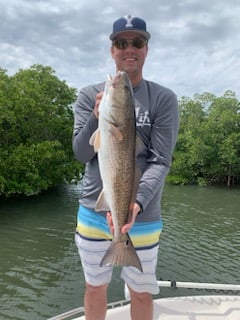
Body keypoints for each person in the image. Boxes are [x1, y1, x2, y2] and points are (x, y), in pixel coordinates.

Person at [72, 14, 179, 320]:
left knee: (142, 292)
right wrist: (96, 116)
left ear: (146, 48)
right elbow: (81, 154)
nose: (129, 48)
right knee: (94, 287)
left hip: (143, 216)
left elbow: (160, 160)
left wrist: (137, 203)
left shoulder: (164, 99)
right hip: (93, 212)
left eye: (137, 42)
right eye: (121, 43)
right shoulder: (87, 95)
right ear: (112, 50)